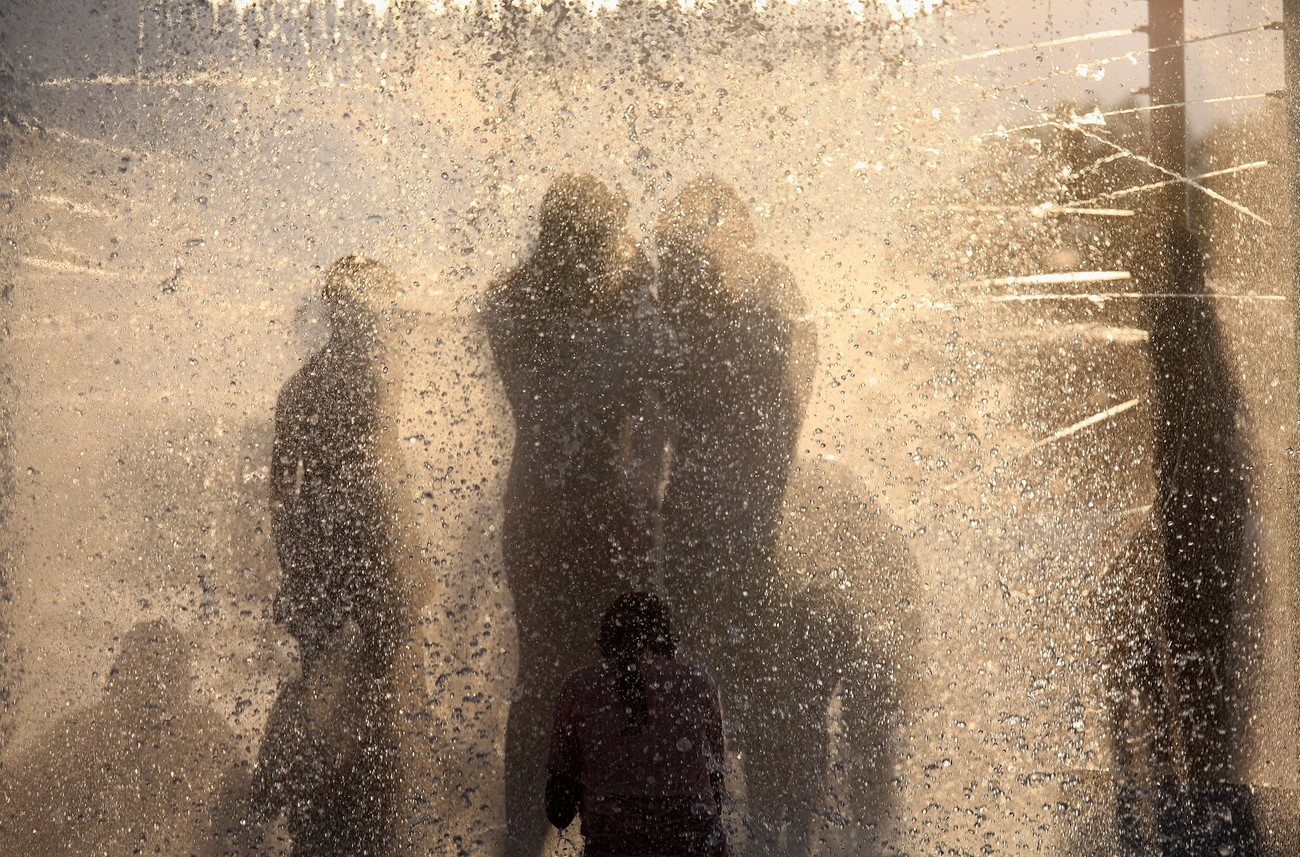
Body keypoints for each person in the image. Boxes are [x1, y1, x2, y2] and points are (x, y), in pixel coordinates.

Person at [484, 174, 660, 857]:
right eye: (615, 232)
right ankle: (618, 835)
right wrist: (639, 289)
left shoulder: (510, 307)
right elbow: (647, 370)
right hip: (603, 510)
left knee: (539, 678)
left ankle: (521, 840)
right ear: (596, 240)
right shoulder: (621, 317)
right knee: (620, 677)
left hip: (534, 506)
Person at [547, 592, 728, 857]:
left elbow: (558, 810)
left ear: (606, 643)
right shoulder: (698, 685)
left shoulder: (580, 687)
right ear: (668, 642)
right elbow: (717, 798)